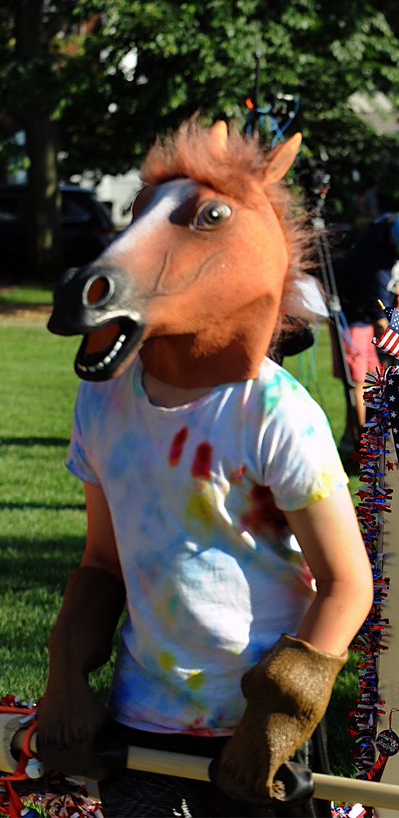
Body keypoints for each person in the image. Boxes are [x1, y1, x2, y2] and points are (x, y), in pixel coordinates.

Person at [36, 121, 373, 816]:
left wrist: (279, 714)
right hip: (141, 728)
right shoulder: (103, 401)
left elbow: (347, 584)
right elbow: (104, 560)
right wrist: (67, 673)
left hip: (253, 742)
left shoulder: (275, 411)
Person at [332, 211, 399, 440]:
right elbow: (381, 324)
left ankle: (352, 436)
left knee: (373, 377)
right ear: (393, 242)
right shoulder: (372, 264)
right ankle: (361, 439)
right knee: (357, 378)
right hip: (353, 315)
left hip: (374, 312)